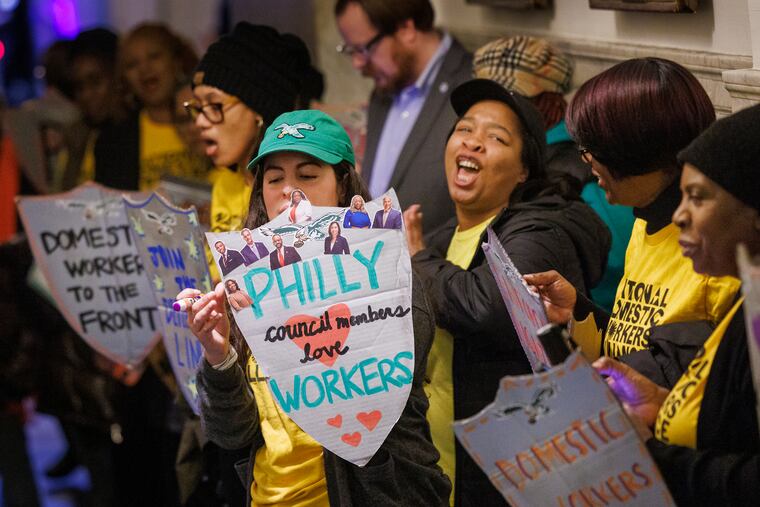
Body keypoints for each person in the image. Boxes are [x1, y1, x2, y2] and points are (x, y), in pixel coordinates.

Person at [178, 109, 450, 506]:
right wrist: (219, 356)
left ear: (342, 185)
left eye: (307, 175)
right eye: (274, 179)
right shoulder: (244, 289)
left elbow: (393, 392)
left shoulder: (383, 272)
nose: (291, 190)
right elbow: (230, 435)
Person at [405, 79, 610, 506]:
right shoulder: (442, 238)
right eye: (464, 129)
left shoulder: (540, 231)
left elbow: (485, 308)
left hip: (506, 478)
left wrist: (416, 258)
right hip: (439, 472)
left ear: (523, 172)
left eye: (496, 138)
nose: (474, 142)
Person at [594, 103, 760, 507]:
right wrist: (662, 401)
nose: (679, 216)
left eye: (698, 198)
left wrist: (653, 456)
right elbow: (729, 424)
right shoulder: (747, 296)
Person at [524, 58, 740, 361]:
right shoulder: (645, 219)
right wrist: (577, 309)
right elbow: (631, 343)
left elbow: (693, 380)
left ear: (630, 150)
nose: (585, 160)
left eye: (591, 148)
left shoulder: (713, 254)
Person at [473, 35, 635, 312]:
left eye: (512, 99)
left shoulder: (588, 175)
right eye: (483, 98)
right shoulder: (478, 153)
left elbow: (618, 277)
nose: (493, 111)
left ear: (550, 101)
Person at [335, 0, 472, 232]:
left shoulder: (471, 88)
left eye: (364, 49)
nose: (358, 64)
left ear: (406, 29)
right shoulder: (384, 90)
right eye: (351, 51)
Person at [94, 23, 208, 191]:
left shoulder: (209, 120)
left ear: (177, 61)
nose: (144, 69)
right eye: (132, 64)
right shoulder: (112, 142)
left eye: (154, 56)